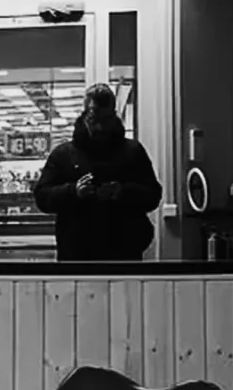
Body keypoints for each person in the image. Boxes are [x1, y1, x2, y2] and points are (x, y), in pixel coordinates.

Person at [34, 84, 161, 262]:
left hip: (123, 252)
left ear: (114, 115)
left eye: (106, 119)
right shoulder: (63, 154)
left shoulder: (133, 151)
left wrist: (121, 191)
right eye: (94, 120)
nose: (100, 127)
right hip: (78, 255)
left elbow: (153, 195)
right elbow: (41, 197)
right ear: (84, 116)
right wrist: (73, 191)